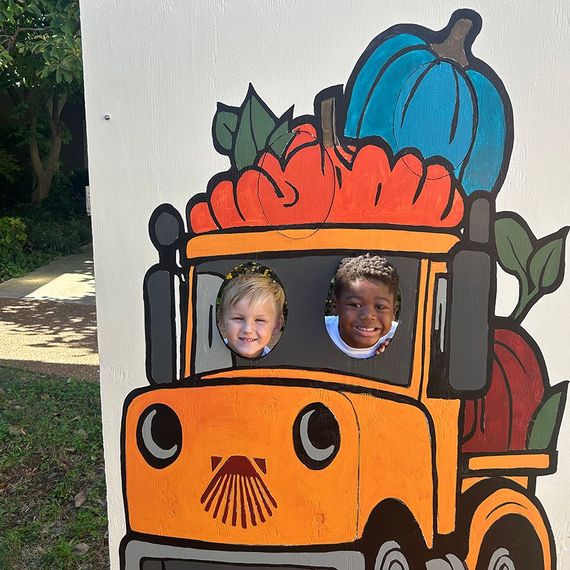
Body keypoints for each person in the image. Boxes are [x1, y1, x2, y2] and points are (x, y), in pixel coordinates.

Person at [326, 254, 399, 359]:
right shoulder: (319, 329)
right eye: (355, 305)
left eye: (380, 307)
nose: (368, 315)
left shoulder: (400, 337)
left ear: (394, 311)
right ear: (334, 306)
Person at [218, 273, 285, 359]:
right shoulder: (208, 358)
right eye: (238, 318)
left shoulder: (278, 362)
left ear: (277, 325)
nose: (247, 329)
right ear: (221, 320)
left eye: (259, 320)